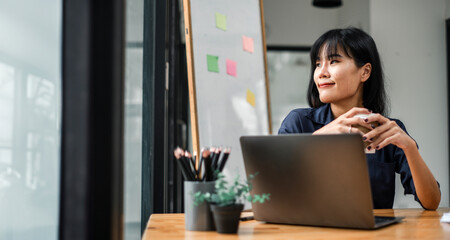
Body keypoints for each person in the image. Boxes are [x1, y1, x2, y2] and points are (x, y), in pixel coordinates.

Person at [278, 27, 440, 210]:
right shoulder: (298, 122)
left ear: (365, 72)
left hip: (374, 235)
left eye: (333, 61)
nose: (321, 72)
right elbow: (277, 188)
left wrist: (410, 147)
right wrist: (319, 138)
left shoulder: (387, 130)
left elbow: (432, 203)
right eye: (317, 64)